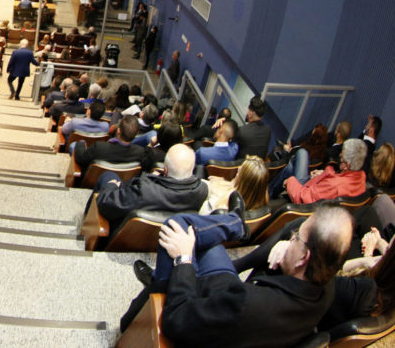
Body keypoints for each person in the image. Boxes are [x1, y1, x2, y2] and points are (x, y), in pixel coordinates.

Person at [123, 203, 355, 348]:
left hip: (202, 319)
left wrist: (183, 260)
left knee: (177, 228)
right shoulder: (326, 288)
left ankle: (142, 306)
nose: (291, 236)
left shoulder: (248, 304)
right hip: (234, 311)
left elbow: (176, 320)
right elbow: (294, 225)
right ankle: (235, 222)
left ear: (304, 257)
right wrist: (288, 246)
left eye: (296, 236)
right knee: (206, 242)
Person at [95, 144, 208, 228]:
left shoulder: (144, 190)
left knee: (109, 176)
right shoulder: (203, 191)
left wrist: (112, 186)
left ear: (165, 170)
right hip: (157, 243)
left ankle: (87, 226)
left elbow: (104, 203)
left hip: (123, 233)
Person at [280, 138, 368, 204]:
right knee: (292, 166)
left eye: (342, 155)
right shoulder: (361, 178)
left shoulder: (334, 185)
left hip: (304, 196)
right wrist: (323, 175)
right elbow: (336, 182)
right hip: (316, 190)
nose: (340, 155)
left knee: (301, 154)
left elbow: (303, 198)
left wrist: (289, 181)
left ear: (347, 165)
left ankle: (269, 192)